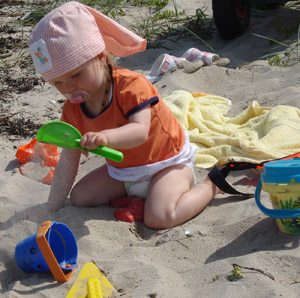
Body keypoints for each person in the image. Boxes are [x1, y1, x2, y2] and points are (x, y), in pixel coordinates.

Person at [29, 1, 220, 229]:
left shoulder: (131, 85)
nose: (68, 87)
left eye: (76, 75)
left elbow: (139, 132)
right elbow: (69, 160)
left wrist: (107, 137)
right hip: (125, 171)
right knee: (80, 197)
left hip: (166, 164)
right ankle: (137, 198)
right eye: (57, 82)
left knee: (159, 218)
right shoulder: (72, 108)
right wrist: (52, 207)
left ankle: (212, 185)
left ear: (100, 57)